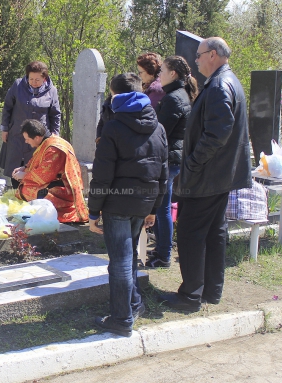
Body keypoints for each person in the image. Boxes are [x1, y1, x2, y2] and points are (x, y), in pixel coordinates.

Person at [159, 37, 252, 312]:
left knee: (190, 233)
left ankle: (190, 296)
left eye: (199, 55)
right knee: (214, 232)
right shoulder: (226, 81)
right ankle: (211, 291)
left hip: (207, 177)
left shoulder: (219, 86)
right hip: (219, 175)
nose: (196, 60)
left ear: (213, 55)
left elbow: (218, 133)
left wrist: (192, 164)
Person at [87, 73, 168, 337]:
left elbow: (102, 175)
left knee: (120, 260)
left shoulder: (113, 127)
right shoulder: (159, 127)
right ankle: (133, 305)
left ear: (115, 96)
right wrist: (154, 208)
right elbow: (163, 173)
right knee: (130, 255)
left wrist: (93, 211)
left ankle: (122, 319)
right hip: (143, 202)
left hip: (118, 203)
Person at [146, 56, 198, 269]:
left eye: (163, 71)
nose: (160, 75)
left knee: (162, 208)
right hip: (172, 157)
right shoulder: (177, 95)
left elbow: (161, 131)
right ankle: (160, 250)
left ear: (173, 74)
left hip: (168, 159)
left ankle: (164, 254)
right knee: (161, 206)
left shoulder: (173, 98)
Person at [13, 119, 88, 223]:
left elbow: (44, 176)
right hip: (53, 181)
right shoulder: (47, 141)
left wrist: (24, 175)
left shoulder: (54, 149)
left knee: (27, 190)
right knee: (23, 185)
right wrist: (24, 168)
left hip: (64, 188)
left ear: (37, 137)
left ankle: (55, 212)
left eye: (27, 139)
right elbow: (37, 162)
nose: (26, 141)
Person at [1, 61, 62, 188]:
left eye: (37, 79)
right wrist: (5, 128)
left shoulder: (52, 91)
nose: (34, 82)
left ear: (44, 78)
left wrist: (55, 134)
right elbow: (7, 107)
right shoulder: (18, 86)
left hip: (39, 138)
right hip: (17, 134)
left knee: (35, 167)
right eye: (31, 78)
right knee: (15, 168)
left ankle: (32, 198)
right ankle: (16, 194)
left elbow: (55, 114)